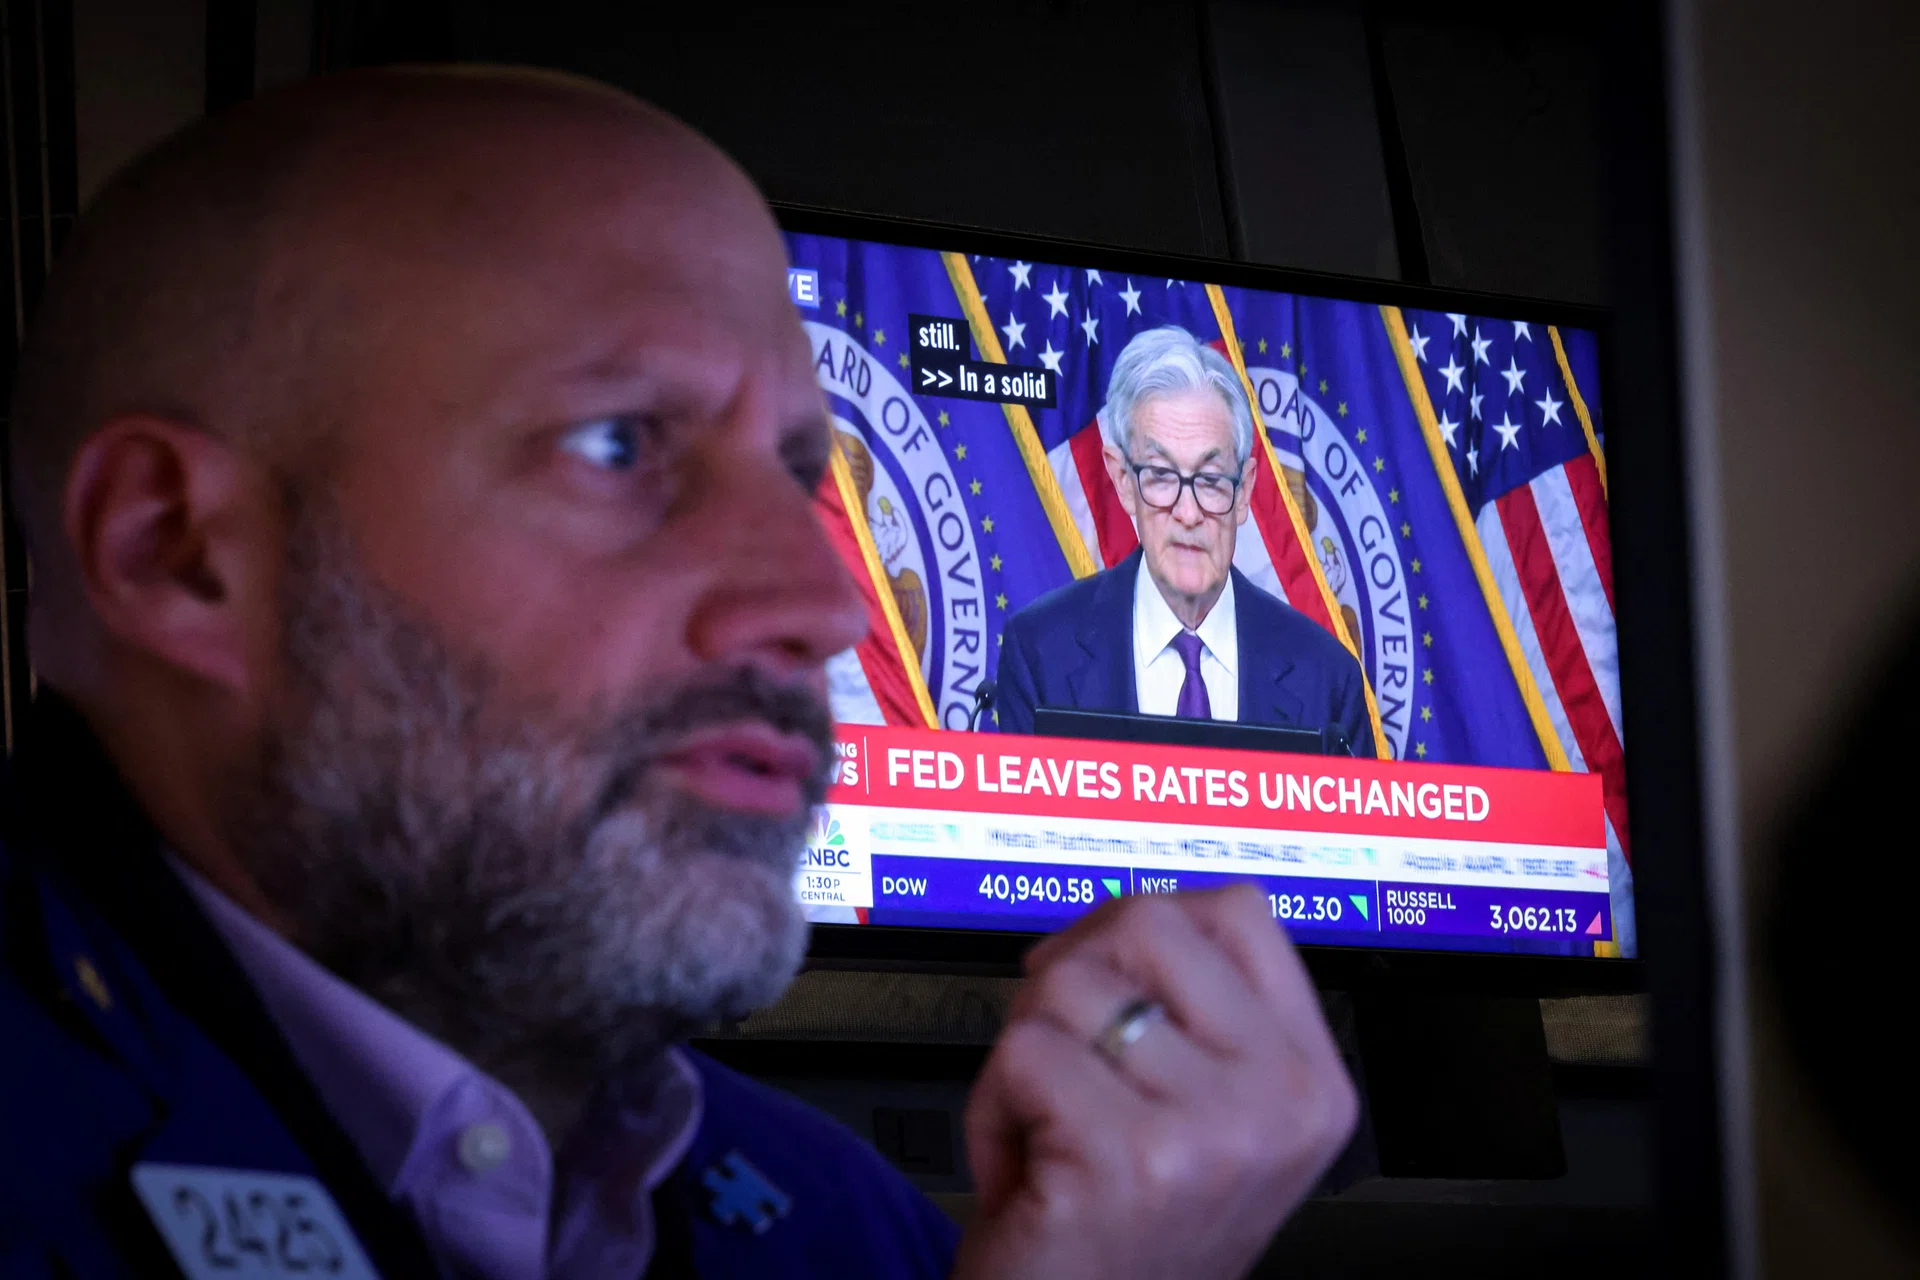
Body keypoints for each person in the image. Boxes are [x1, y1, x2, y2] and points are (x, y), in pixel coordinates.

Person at [0, 69, 1357, 1279]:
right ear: (175, 549)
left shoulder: (844, 1218)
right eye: (618, 445)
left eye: (796, 472)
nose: (823, 609)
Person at [994, 326, 1373, 754]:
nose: (1188, 514)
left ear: (1244, 490)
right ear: (1123, 480)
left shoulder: (1327, 679)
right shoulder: (1041, 654)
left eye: (1210, 480)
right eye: (1161, 475)